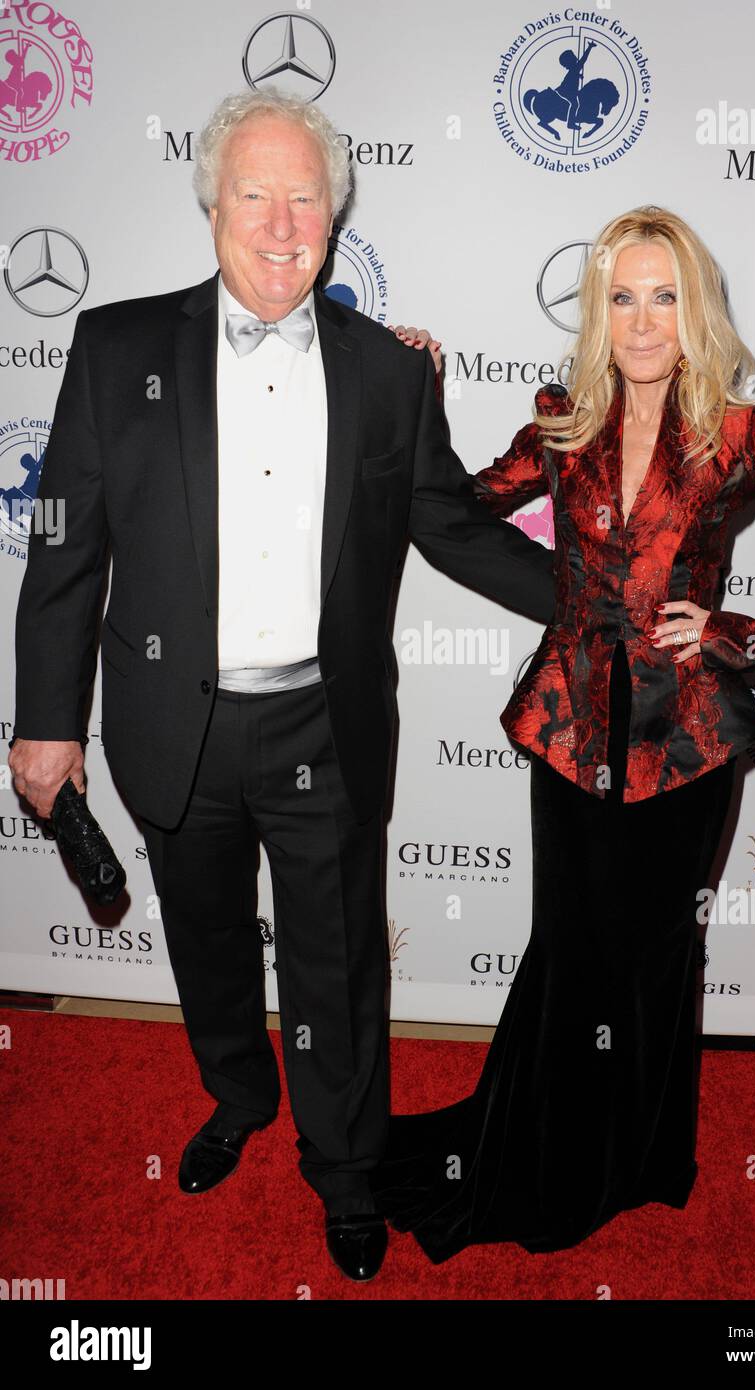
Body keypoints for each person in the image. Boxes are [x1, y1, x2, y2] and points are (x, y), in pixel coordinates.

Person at [8, 88, 557, 1283]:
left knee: (337, 957)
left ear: (334, 212)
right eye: (253, 193)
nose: (278, 221)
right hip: (170, 721)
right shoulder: (113, 348)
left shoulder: (387, 372)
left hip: (323, 717)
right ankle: (236, 1094)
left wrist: (593, 600)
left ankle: (347, 1166)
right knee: (206, 940)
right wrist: (46, 724)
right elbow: (62, 543)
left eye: (302, 195)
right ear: (213, 206)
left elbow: (453, 529)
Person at [369, 205, 755, 1263]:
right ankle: (548, 1161)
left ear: (692, 308)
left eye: (663, 296)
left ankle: (642, 1159)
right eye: (621, 296)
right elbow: (455, 509)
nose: (643, 320)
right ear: (596, 310)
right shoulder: (563, 424)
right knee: (570, 952)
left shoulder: (744, 435)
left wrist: (745, 633)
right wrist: (414, 398)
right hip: (569, 727)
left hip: (685, 741)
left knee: (656, 958)